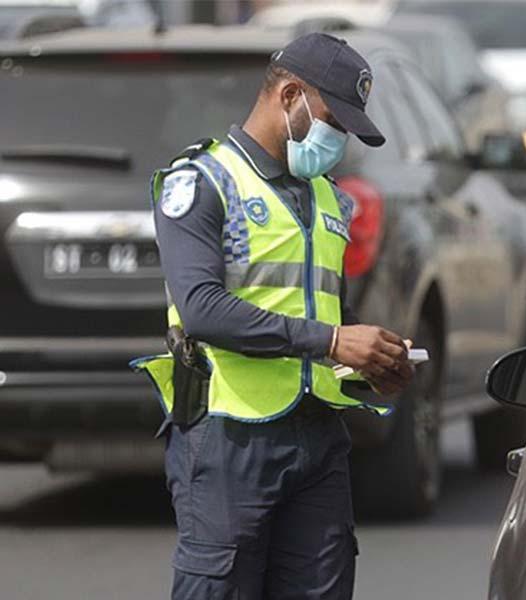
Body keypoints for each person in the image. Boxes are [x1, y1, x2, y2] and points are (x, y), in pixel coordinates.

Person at [131, 33, 415, 599]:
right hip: (229, 438)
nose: (337, 140)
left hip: (317, 435)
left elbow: (332, 311)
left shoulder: (330, 198)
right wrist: (333, 341)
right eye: (332, 120)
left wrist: (373, 361)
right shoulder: (204, 182)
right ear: (290, 96)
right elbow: (204, 311)